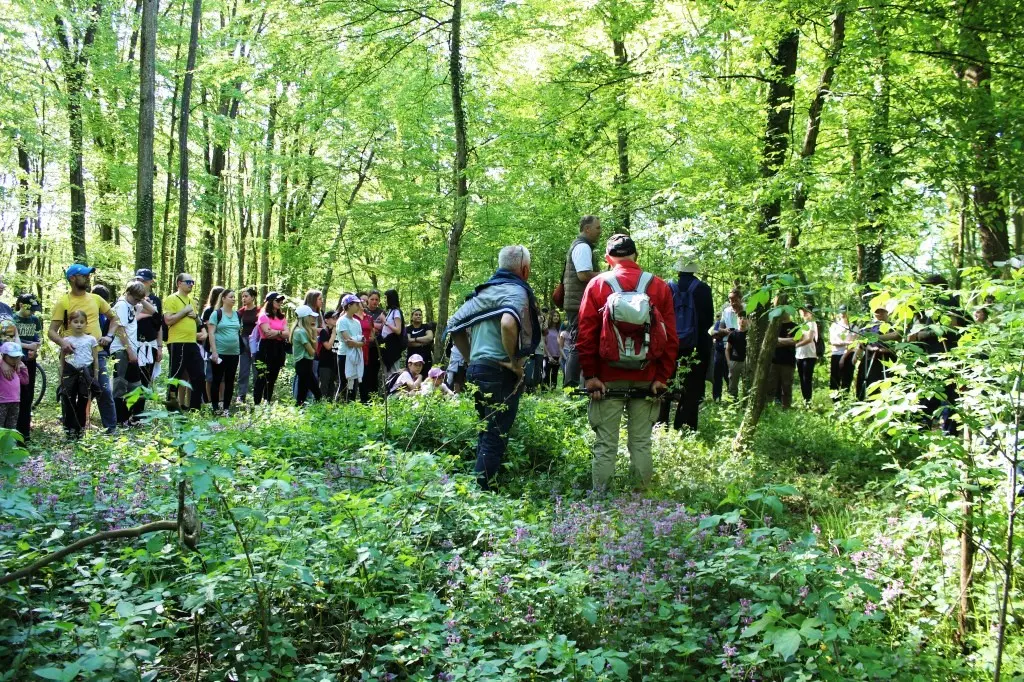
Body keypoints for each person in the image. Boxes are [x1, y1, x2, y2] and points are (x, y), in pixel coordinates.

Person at [577, 234, 677, 490]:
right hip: (647, 377)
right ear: (636, 255)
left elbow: (586, 335)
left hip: (606, 379)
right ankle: (641, 502)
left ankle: (601, 502)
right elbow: (671, 339)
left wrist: (590, 376)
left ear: (608, 258)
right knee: (641, 443)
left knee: (606, 444)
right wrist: (662, 377)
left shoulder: (598, 284)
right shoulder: (658, 286)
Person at [448, 245, 540, 490]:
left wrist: (471, 359)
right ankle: (481, 494)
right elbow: (509, 323)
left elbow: (454, 325)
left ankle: (479, 487)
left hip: (478, 370)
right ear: (525, 269)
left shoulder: (484, 293)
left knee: (486, 429)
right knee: (494, 435)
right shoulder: (516, 292)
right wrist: (513, 361)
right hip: (500, 372)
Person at [49, 263, 121, 432]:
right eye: (84, 275)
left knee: (103, 390)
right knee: (70, 395)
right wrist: (62, 342)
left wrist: (109, 335)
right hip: (72, 357)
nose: (88, 278)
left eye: (88, 275)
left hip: (96, 354)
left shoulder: (96, 299)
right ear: (72, 278)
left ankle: (111, 430)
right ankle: (72, 430)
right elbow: (51, 331)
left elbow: (115, 319)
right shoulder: (63, 302)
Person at [658, 253, 714, 431]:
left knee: (664, 386)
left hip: (669, 346)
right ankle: (685, 427)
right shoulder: (704, 289)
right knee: (692, 389)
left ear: (678, 269)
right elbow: (709, 321)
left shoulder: (667, 287)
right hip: (696, 346)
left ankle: (660, 425)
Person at [561, 215, 602, 388]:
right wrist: (607, 276)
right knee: (579, 344)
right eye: (598, 227)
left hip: (578, 303)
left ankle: (578, 386)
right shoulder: (583, 247)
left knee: (580, 344)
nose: (600, 231)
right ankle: (571, 388)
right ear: (587, 229)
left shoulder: (581, 246)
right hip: (578, 304)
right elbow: (583, 274)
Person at [162, 273, 206, 411]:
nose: (191, 284)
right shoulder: (172, 299)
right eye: (188, 282)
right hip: (177, 342)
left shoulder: (192, 301)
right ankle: (171, 408)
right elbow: (168, 320)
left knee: (199, 375)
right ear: (179, 283)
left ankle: (194, 408)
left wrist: (196, 317)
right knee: (175, 375)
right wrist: (184, 311)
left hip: (192, 342)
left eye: (192, 282)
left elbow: (198, 322)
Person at [109, 281, 148, 425]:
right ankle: (120, 420)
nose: (138, 301)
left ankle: (134, 418)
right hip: (121, 351)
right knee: (120, 386)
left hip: (131, 351)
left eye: (140, 299)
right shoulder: (121, 306)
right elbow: (120, 330)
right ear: (128, 293)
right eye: (136, 298)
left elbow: (148, 313)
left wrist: (138, 307)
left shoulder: (130, 306)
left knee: (135, 386)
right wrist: (130, 352)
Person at [57, 310, 99, 437]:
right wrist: (61, 377)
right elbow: (62, 360)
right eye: (76, 322)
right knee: (68, 399)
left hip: (86, 372)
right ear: (70, 323)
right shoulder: (66, 340)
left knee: (83, 400)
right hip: (70, 373)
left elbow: (95, 358)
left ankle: (80, 428)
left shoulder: (91, 339)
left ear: (86, 324)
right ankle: (69, 428)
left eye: (82, 322)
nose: (79, 325)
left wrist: (95, 376)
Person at [855, 303, 901, 400]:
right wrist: (858, 354)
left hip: (888, 360)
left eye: (882, 311)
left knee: (889, 384)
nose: (879, 314)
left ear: (887, 313)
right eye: (877, 312)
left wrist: (883, 345)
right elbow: (862, 343)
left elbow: (898, 338)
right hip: (870, 359)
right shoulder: (867, 327)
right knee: (868, 383)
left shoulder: (893, 326)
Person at [207, 288, 241, 413]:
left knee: (230, 380)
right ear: (223, 299)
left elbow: (238, 331)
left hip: (234, 353)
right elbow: (211, 333)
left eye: (234, 297)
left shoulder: (237, 314)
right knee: (217, 379)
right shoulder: (216, 314)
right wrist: (214, 352)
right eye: (231, 297)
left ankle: (226, 408)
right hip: (220, 353)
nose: (233, 299)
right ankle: (215, 408)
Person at [13, 293, 42, 440]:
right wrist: (26, 346)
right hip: (15, 360)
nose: (33, 312)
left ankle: (25, 433)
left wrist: (35, 349)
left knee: (27, 395)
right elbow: (10, 339)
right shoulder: (13, 318)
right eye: (31, 309)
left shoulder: (35, 320)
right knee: (14, 395)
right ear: (22, 305)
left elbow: (38, 339)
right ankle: (12, 431)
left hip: (30, 361)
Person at [253, 292, 289, 405]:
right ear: (270, 301)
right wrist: (281, 333)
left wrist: (277, 332)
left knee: (272, 379)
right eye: (277, 300)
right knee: (262, 377)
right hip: (266, 348)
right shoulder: (263, 316)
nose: (280, 303)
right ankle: (257, 404)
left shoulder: (282, 317)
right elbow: (267, 333)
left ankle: (267, 403)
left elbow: (287, 334)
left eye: (280, 301)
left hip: (279, 349)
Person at [133, 269, 164, 389]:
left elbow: (159, 325)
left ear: (150, 282)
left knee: (146, 380)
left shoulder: (156, 300)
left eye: (143, 281)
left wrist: (159, 347)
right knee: (133, 380)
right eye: (137, 280)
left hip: (150, 344)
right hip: (134, 344)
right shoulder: (130, 299)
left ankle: (141, 407)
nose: (140, 283)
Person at [291, 304, 322, 406]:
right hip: (303, 364)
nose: (313, 318)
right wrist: (313, 335)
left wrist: (313, 332)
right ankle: (322, 412)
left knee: (302, 394)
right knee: (317, 393)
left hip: (306, 364)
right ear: (305, 318)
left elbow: (315, 349)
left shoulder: (305, 331)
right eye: (311, 316)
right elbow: (312, 352)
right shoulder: (300, 332)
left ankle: (298, 412)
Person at [337, 294, 365, 401]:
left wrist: (357, 342)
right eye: (356, 304)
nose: (359, 306)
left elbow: (362, 339)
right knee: (344, 381)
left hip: (356, 355)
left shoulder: (357, 322)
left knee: (355, 380)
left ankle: (351, 405)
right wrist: (358, 342)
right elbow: (348, 341)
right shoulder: (342, 321)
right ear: (349, 306)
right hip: (344, 354)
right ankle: (339, 406)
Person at [768, 310, 797, 408]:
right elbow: (771, 341)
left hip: (788, 362)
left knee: (787, 386)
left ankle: (786, 408)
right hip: (774, 361)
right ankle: (770, 408)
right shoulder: (774, 326)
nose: (784, 313)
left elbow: (795, 341)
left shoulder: (794, 326)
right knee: (771, 386)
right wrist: (786, 341)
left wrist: (778, 340)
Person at [236, 287, 259, 403]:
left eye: (246, 296)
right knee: (243, 371)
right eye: (242, 296)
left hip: (256, 343)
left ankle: (257, 395)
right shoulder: (241, 311)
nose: (244, 299)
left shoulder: (259, 311)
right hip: (244, 342)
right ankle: (241, 395)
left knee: (256, 371)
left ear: (253, 297)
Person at [361, 290, 385, 400]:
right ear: (368, 300)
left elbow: (385, 327)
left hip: (377, 347)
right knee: (364, 373)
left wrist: (374, 327)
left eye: (376, 299)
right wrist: (376, 326)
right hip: (364, 347)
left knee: (374, 373)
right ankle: (364, 398)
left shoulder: (382, 312)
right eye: (372, 299)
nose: (374, 302)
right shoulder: (363, 311)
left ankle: (374, 398)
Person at [0, 342, 29, 431]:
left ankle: (11, 444)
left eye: (17, 357)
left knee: (11, 428)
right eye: (12, 357)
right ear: (3, 355)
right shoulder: (2, 367)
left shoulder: (17, 368)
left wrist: (23, 368)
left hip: (15, 401)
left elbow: (25, 381)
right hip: (1, 402)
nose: (15, 360)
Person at [829, 306, 856, 396]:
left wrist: (844, 354)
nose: (843, 314)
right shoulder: (834, 326)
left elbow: (854, 345)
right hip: (836, 354)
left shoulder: (854, 327)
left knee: (847, 379)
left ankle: (845, 399)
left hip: (849, 355)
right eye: (841, 312)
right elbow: (833, 342)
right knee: (834, 379)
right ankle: (835, 401)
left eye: (845, 312)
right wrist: (847, 342)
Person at [795, 306, 819, 405]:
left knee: (806, 379)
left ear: (811, 313)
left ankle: (808, 401)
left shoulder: (812, 323)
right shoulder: (801, 325)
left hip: (809, 355)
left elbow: (809, 339)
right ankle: (805, 400)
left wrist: (796, 345)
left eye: (806, 311)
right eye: (802, 311)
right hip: (799, 355)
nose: (804, 313)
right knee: (802, 378)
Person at [380, 289, 405, 375]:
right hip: (387, 345)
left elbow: (398, 330)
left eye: (386, 298)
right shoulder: (390, 311)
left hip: (393, 346)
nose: (384, 300)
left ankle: (394, 388)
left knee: (394, 372)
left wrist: (385, 321)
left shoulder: (396, 312)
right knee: (387, 372)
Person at [318, 310, 341, 400]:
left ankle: (330, 405)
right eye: (333, 318)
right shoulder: (324, 332)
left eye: (337, 318)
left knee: (332, 386)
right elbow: (328, 346)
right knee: (324, 386)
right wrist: (333, 333)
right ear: (327, 320)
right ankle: (320, 404)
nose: (336, 319)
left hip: (335, 363)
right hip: (325, 364)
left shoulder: (339, 330)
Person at [725, 315, 748, 399]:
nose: (742, 320)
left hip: (746, 362)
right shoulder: (733, 334)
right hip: (734, 362)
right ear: (738, 320)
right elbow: (727, 349)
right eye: (740, 318)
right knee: (732, 386)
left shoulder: (750, 334)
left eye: (744, 318)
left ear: (748, 321)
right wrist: (728, 362)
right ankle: (733, 406)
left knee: (747, 385)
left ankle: (746, 405)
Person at [405, 309, 434, 373]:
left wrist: (414, 339)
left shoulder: (426, 326)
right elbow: (408, 342)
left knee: (425, 379)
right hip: (412, 359)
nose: (418, 316)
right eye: (416, 315)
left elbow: (430, 338)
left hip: (426, 358)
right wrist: (424, 342)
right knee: (412, 378)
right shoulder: (408, 328)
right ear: (412, 317)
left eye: (420, 315)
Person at [543, 311, 561, 388]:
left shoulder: (560, 329)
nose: (556, 317)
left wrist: (561, 357)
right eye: (554, 316)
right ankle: (544, 392)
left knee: (555, 375)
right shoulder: (546, 329)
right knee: (546, 375)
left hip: (557, 356)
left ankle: (553, 391)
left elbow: (562, 344)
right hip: (547, 356)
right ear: (551, 317)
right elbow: (543, 343)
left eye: (557, 316)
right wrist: (549, 356)